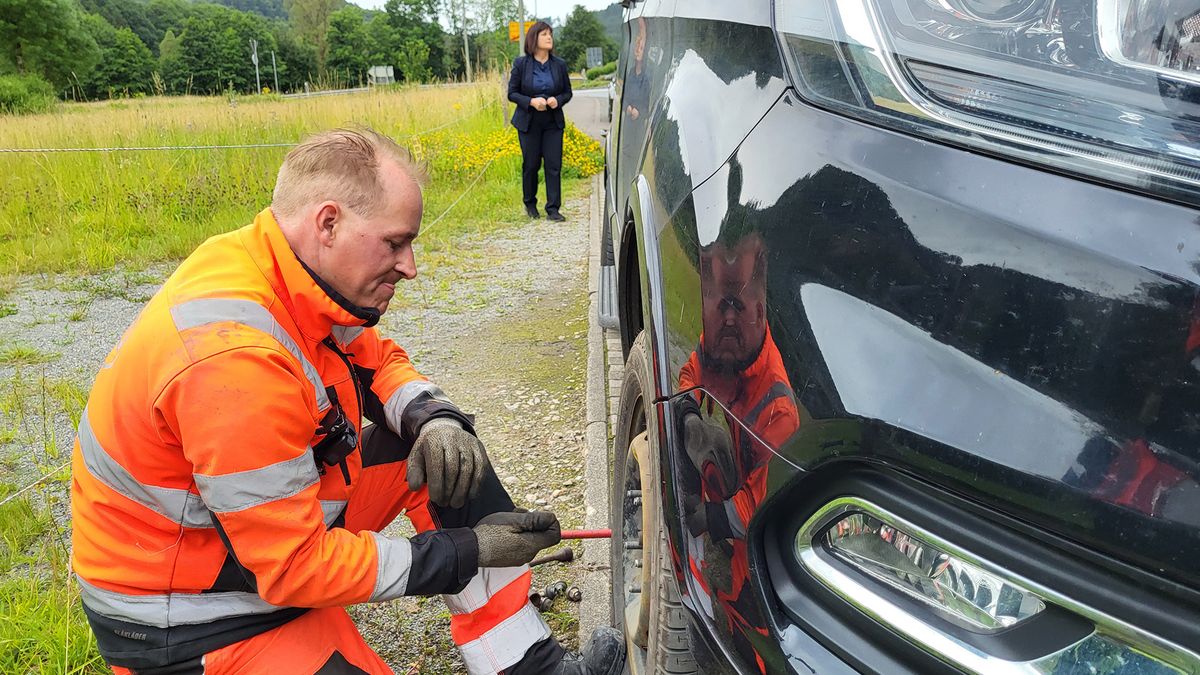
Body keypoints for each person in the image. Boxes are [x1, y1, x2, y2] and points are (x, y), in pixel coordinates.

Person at [69, 128, 624, 675]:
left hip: (250, 549)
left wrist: (435, 420)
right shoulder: (234, 361)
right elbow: (292, 567)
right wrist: (464, 551)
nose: (411, 266)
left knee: (452, 463)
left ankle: (530, 668)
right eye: (395, 242)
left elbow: (377, 360)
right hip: (198, 617)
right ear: (328, 222)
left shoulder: (286, 269)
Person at [675, 232, 800, 674]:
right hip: (740, 482)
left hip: (767, 524)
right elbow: (692, 369)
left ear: (761, 311)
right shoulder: (722, 349)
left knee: (753, 621)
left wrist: (712, 518)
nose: (727, 319)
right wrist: (687, 408)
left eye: (739, 307)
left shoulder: (777, 409)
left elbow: (762, 505)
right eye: (718, 305)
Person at [508, 21, 573, 222]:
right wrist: (531, 102)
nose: (549, 38)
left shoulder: (559, 65)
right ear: (534, 38)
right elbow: (512, 93)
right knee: (531, 164)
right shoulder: (521, 64)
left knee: (553, 165)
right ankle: (530, 204)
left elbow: (567, 92)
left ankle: (553, 209)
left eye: (550, 34)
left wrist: (557, 100)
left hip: (553, 122)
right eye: (544, 34)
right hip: (529, 122)